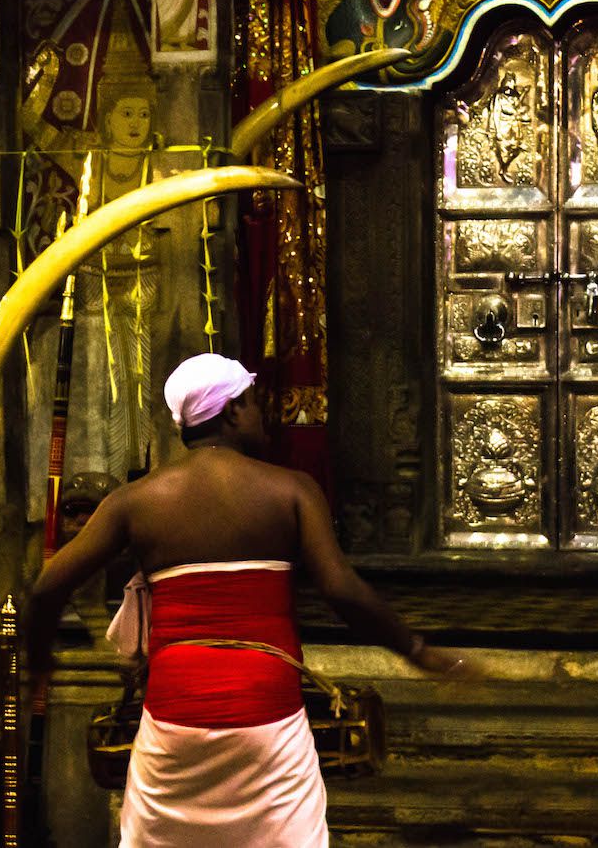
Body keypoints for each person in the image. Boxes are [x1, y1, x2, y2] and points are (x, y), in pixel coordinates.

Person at [26, 353, 469, 847]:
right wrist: (416, 649)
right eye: (255, 403)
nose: (263, 415)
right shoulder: (291, 490)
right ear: (233, 411)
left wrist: (40, 661)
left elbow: (46, 588)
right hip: (269, 716)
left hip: (174, 717)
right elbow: (341, 589)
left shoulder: (136, 500)